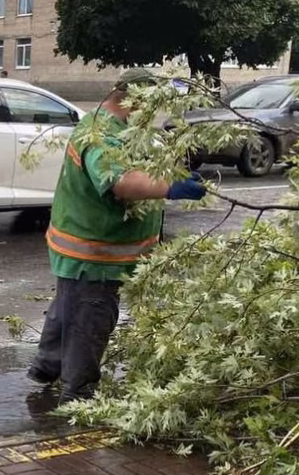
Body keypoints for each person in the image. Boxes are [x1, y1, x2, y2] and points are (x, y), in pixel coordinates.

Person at [28, 68, 207, 402]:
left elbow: (135, 171)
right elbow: (120, 181)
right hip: (95, 255)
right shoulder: (99, 135)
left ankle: (47, 367)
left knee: (69, 307)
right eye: (149, 107)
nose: (151, 115)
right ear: (133, 98)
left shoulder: (111, 128)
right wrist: (172, 188)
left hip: (83, 249)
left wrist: (170, 173)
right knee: (91, 319)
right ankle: (77, 396)